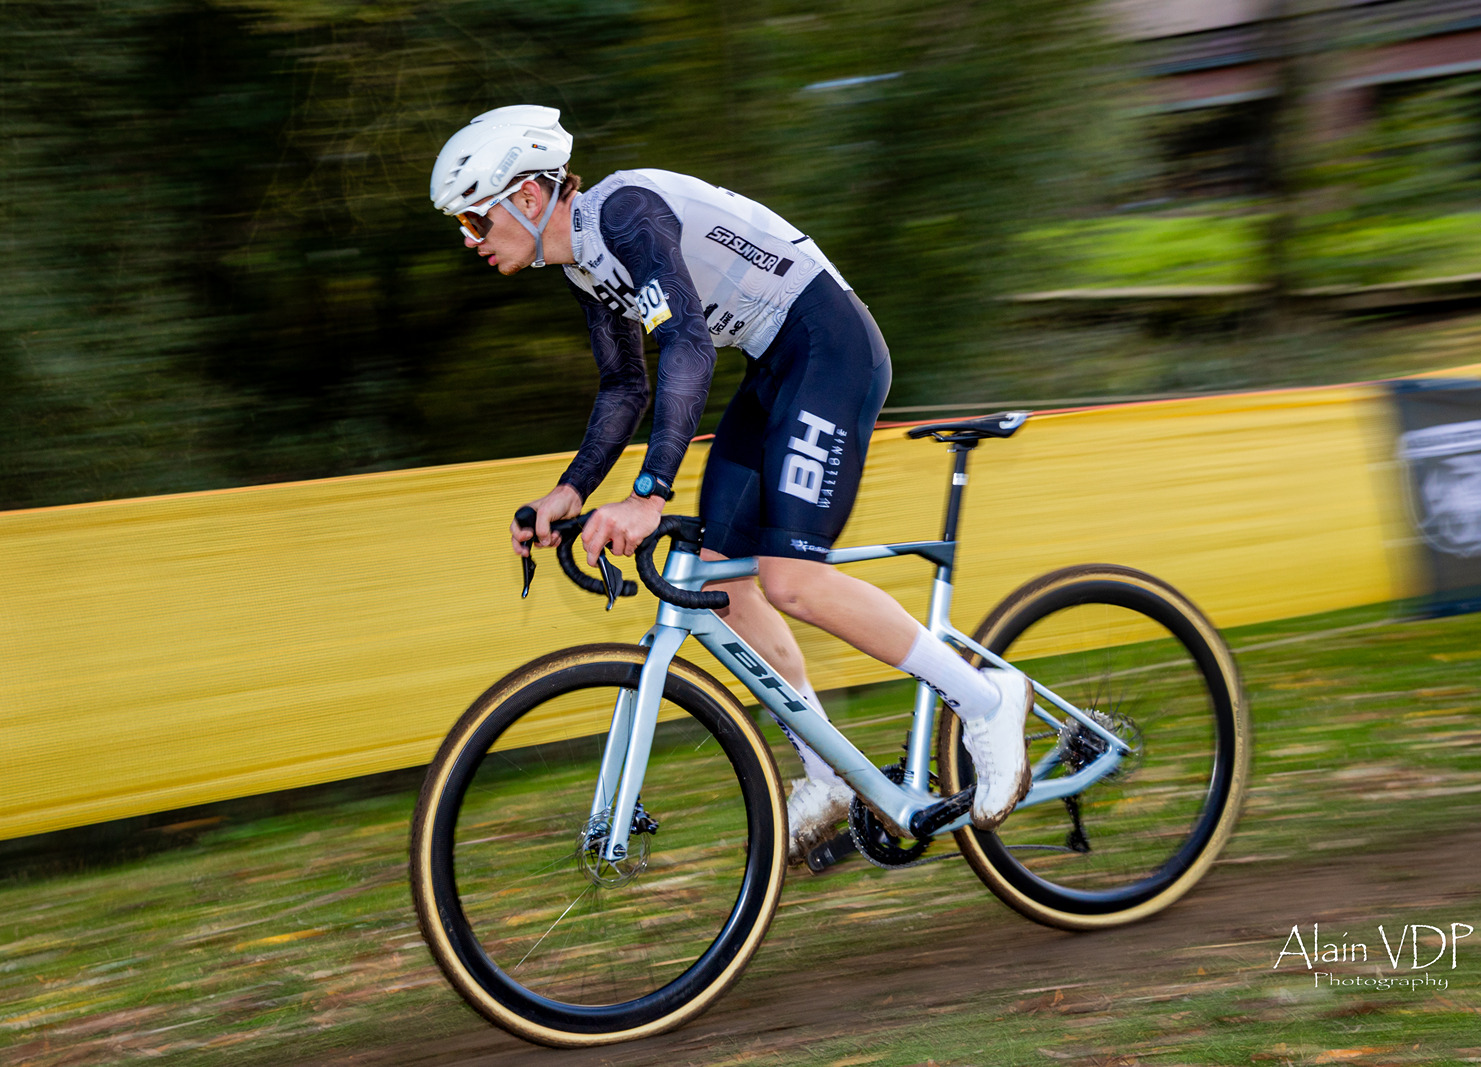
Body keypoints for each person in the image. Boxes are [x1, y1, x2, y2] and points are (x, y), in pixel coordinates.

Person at [430, 105, 1031, 864]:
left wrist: (649, 493)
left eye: (474, 221)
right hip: (776, 363)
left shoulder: (625, 213)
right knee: (721, 579)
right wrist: (571, 491)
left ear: (524, 196)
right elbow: (625, 386)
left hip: (828, 346)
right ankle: (829, 775)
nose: (470, 241)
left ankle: (986, 700)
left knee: (792, 580)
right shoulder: (584, 263)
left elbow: (687, 342)